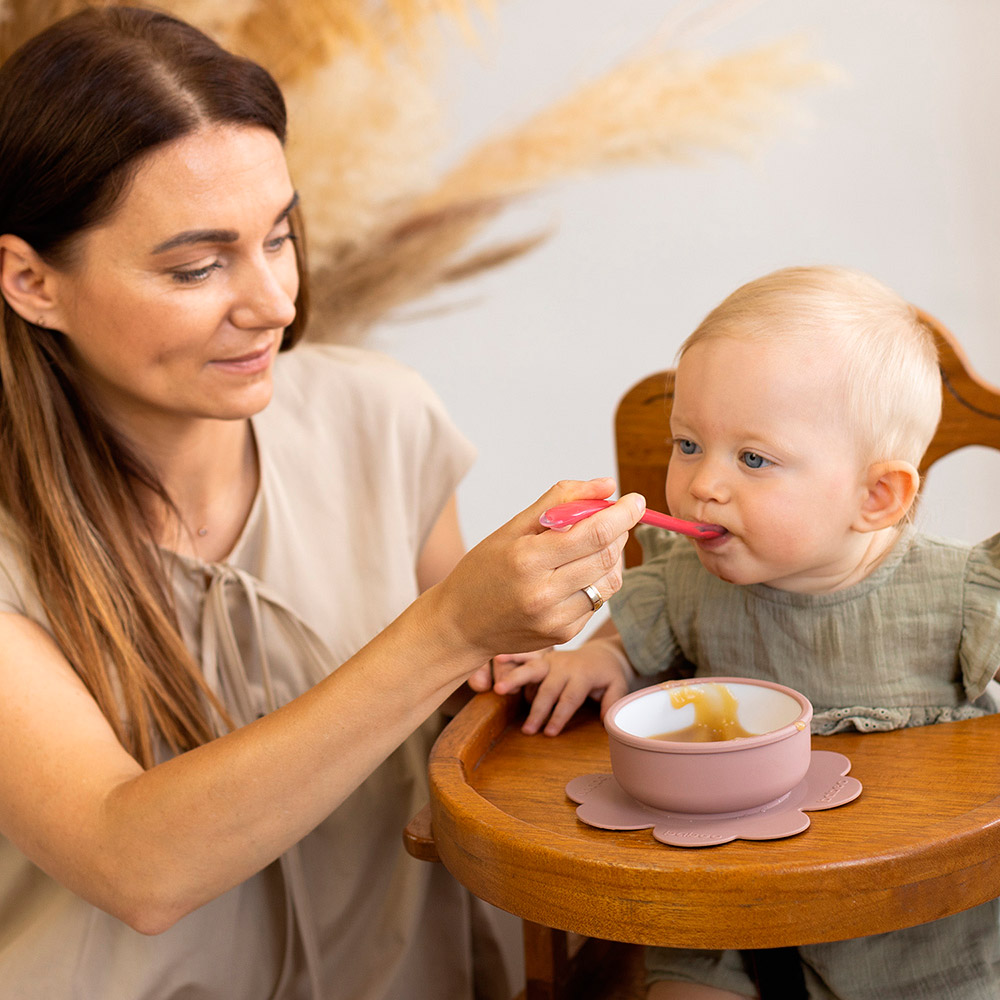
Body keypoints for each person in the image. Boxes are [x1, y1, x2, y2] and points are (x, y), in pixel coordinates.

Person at [0, 7, 647, 999]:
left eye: (279, 236)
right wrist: (447, 626)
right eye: (197, 265)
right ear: (32, 280)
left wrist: (583, 658)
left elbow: (479, 738)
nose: (273, 303)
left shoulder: (380, 420)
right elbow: (133, 864)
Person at [484, 266, 1000, 1000]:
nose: (703, 485)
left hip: (917, 930)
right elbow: (628, 647)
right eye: (688, 444)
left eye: (753, 459)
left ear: (876, 496)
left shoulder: (963, 597)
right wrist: (598, 660)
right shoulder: (685, 581)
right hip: (728, 908)